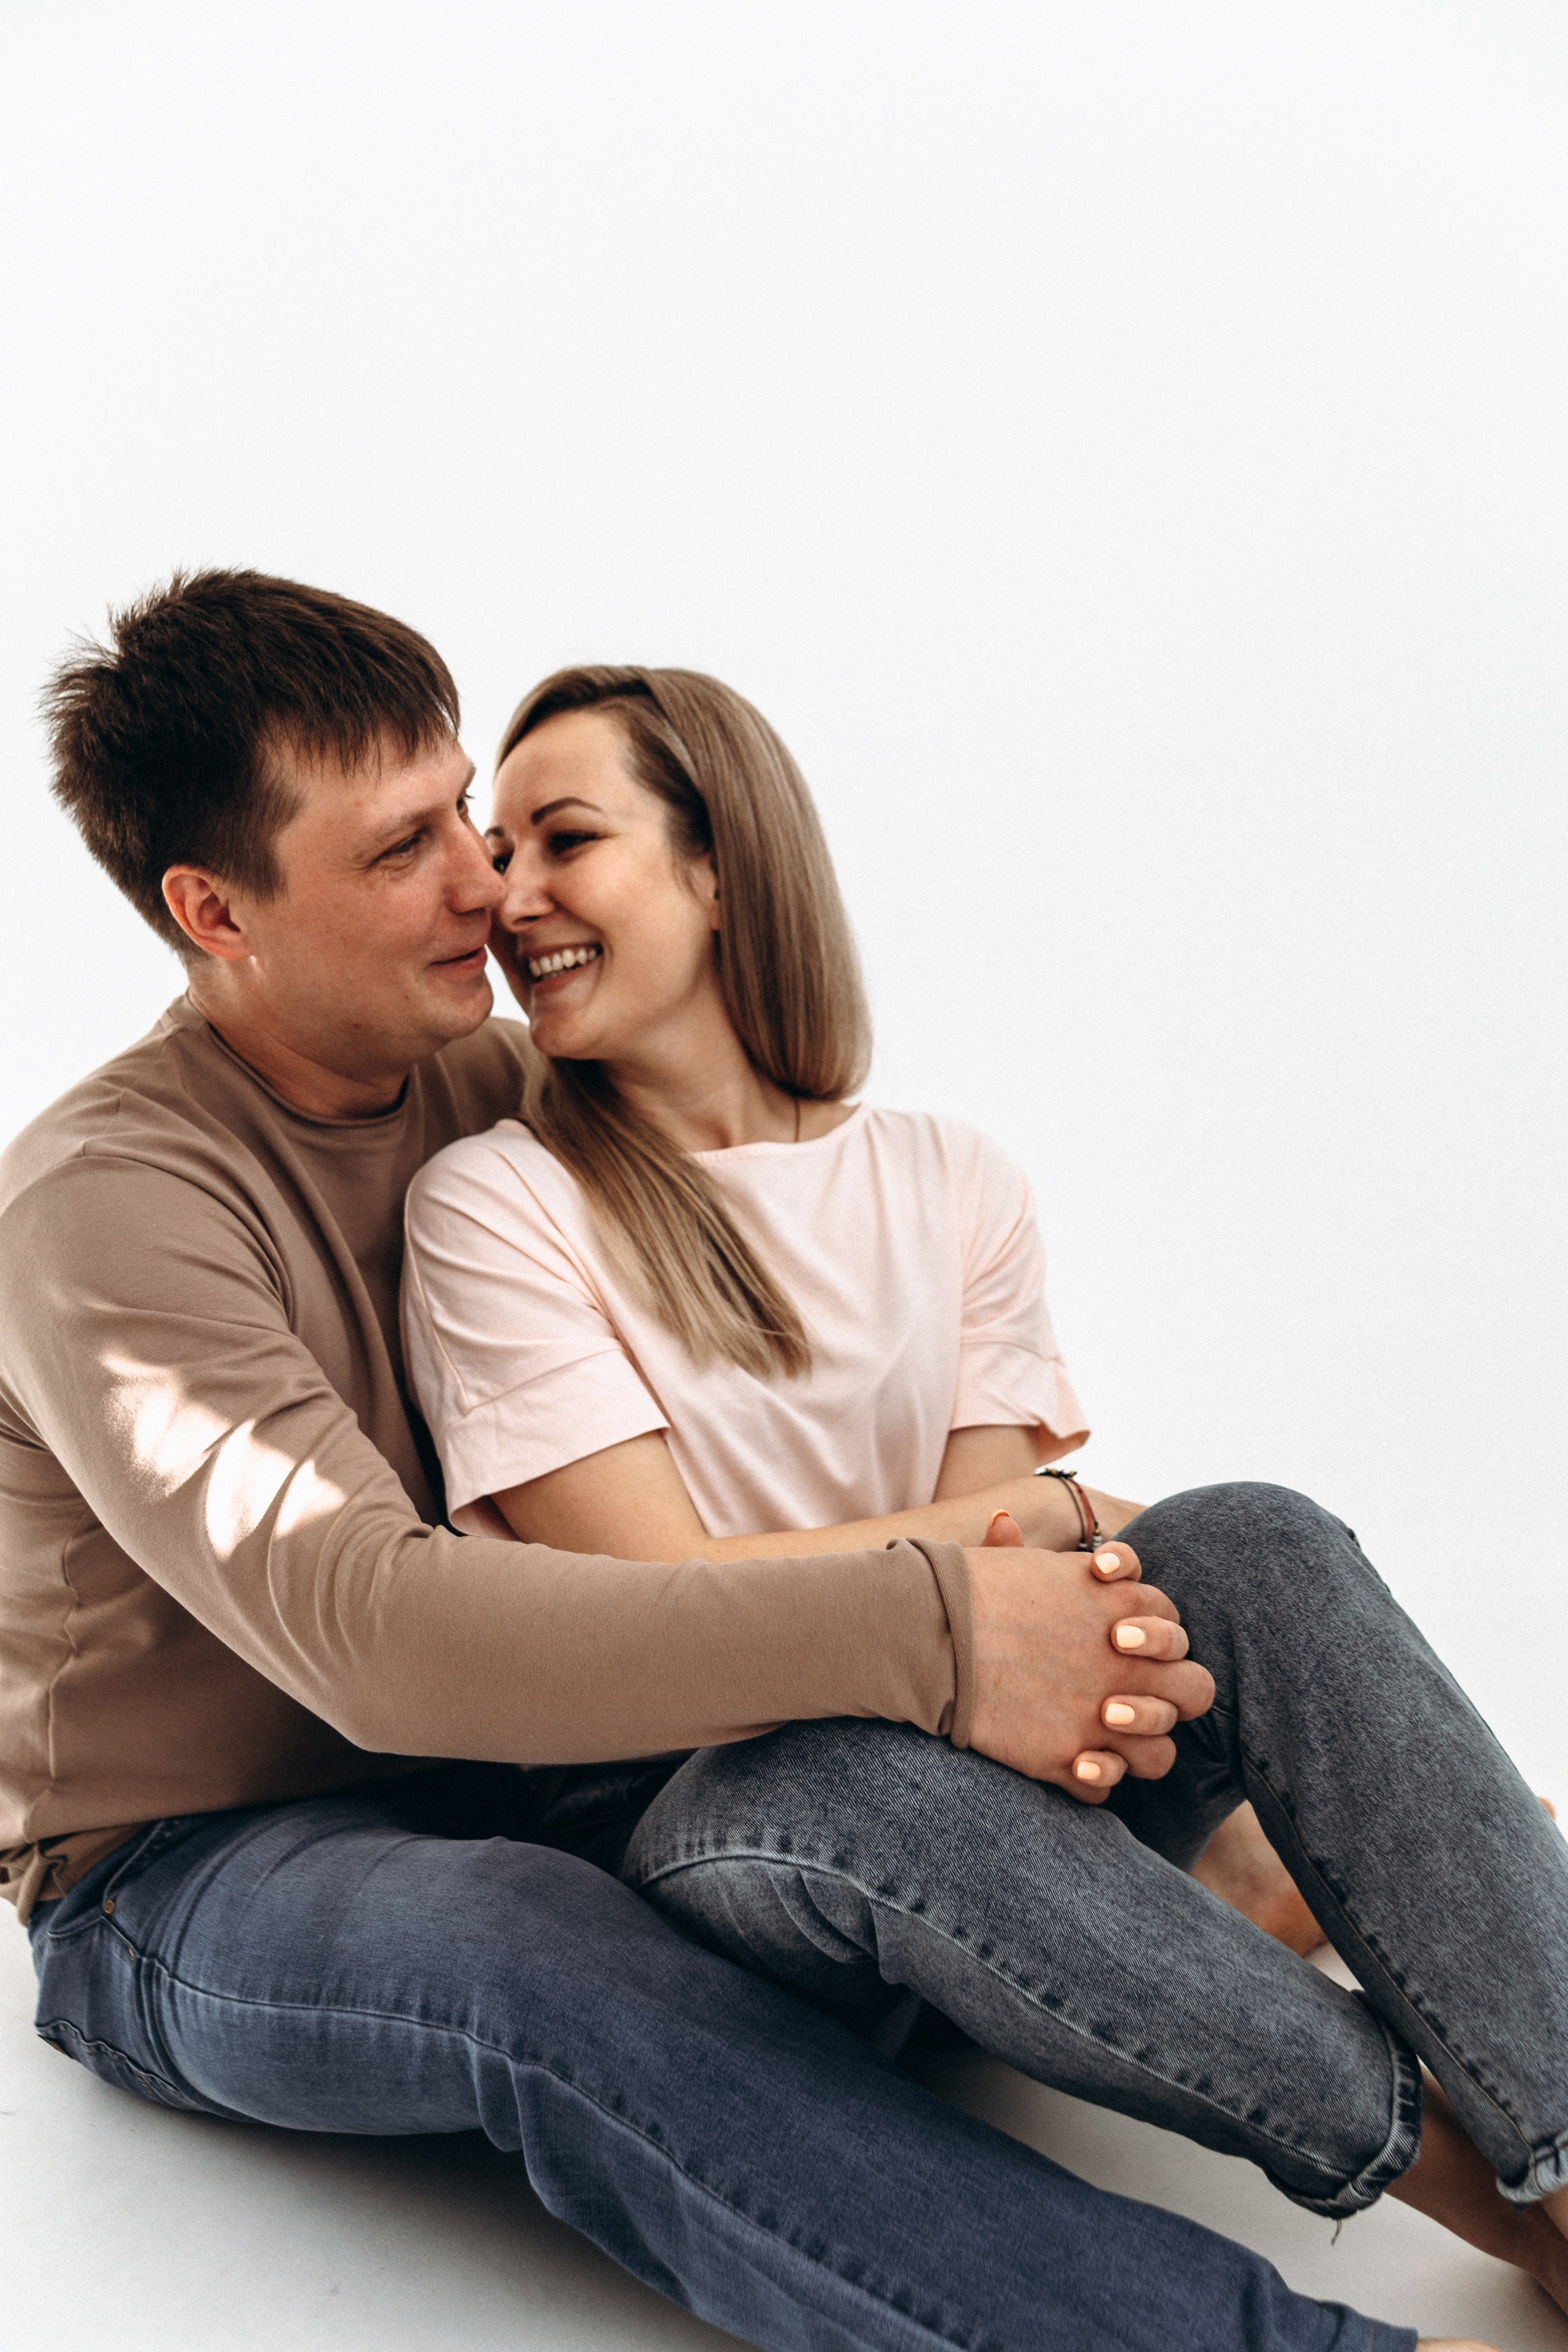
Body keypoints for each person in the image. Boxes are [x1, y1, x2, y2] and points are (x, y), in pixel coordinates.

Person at [0, 568, 1450, 2352]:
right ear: (215, 909)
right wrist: (939, 1624)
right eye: (400, 852)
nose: (487, 882)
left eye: (468, 807)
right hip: (203, 1864)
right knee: (536, 1948)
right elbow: (377, 1639)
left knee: (1222, 1571)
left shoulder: (511, 1082)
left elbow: (818, 1291)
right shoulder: (106, 1212)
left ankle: (1329, 1944)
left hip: (569, 1771)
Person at [400, 662, 1568, 2332]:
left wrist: (1056, 1543)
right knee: (877, 1758)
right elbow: (665, 1612)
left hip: (994, 1777)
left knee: (1254, 1532)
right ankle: (1508, 2216)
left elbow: (1027, 1584)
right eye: (494, 851)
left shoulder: (950, 1177)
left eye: (561, 840)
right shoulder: (495, 1204)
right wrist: (1046, 1532)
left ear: (721, 863)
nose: (507, 898)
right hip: (724, 1814)